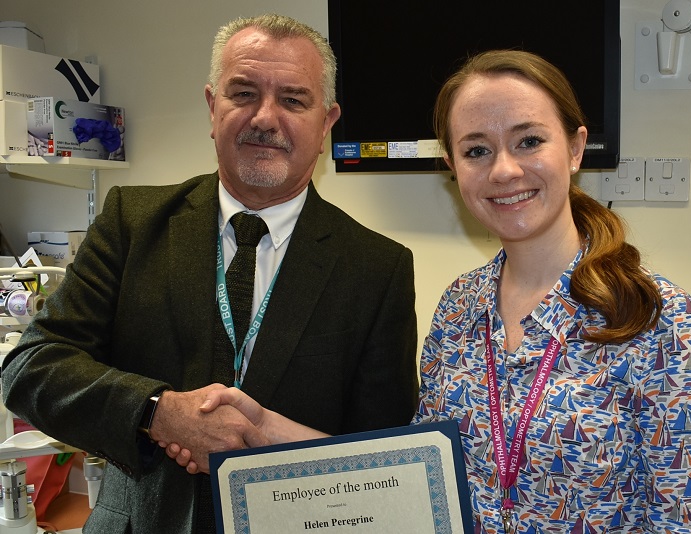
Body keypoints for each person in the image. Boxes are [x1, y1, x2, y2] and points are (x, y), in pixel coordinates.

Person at [170, 50, 691, 532]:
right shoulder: (460, 306)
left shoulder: (656, 316)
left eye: (529, 140)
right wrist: (261, 425)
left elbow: (688, 518)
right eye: (476, 150)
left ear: (576, 148)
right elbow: (412, 474)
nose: (504, 170)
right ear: (453, 167)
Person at [1, 14, 418, 533]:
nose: (265, 118)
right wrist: (155, 410)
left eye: (293, 100)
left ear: (327, 121)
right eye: (243, 93)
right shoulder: (131, 222)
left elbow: (386, 456)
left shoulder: (378, 268)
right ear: (211, 106)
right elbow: (30, 367)